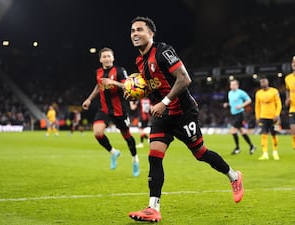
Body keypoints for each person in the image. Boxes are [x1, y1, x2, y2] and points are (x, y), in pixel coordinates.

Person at [103, 16, 244, 222]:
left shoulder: (163, 51)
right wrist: (136, 92)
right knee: (154, 156)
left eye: (139, 30)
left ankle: (234, 176)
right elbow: (154, 85)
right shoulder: (139, 61)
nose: (134, 33)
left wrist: (165, 102)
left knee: (200, 153)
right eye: (132, 30)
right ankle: (153, 208)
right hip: (163, 116)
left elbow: (184, 79)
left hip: (183, 112)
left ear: (151, 33)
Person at [81, 47, 140, 177]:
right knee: (97, 133)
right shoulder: (98, 72)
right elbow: (98, 86)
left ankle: (135, 159)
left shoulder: (120, 70)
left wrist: (112, 82)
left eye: (109, 56)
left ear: (113, 58)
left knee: (127, 137)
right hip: (105, 109)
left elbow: (127, 86)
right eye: (104, 57)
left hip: (120, 110)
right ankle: (113, 152)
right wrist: (89, 99)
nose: (107, 58)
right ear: (100, 59)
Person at [223, 79, 256, 155]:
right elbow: (232, 103)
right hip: (233, 114)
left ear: (237, 85)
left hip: (240, 113)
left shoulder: (241, 92)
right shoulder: (230, 93)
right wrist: (227, 104)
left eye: (234, 84)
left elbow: (249, 100)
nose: (232, 86)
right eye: (231, 85)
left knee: (233, 130)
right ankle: (252, 146)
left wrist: (241, 105)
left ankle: (237, 148)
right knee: (241, 131)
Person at [255, 77, 282, 160]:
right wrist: (257, 117)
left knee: (274, 134)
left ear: (267, 82)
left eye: (264, 82)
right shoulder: (258, 93)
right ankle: (265, 153)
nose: (263, 83)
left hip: (273, 117)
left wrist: (277, 114)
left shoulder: (274, 91)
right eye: (261, 82)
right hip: (263, 116)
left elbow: (279, 104)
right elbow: (257, 106)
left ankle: (275, 152)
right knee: (264, 134)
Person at [285, 56, 295, 150]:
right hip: (292, 108)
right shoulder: (288, 78)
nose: (294, 64)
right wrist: (287, 98)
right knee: (293, 129)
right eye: (292, 62)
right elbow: (287, 90)